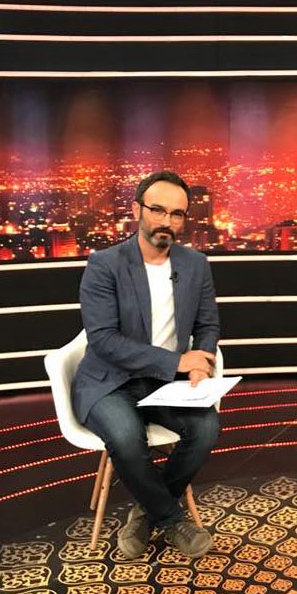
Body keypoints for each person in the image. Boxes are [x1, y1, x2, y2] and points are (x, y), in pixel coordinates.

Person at [72, 171, 221, 559]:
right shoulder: (105, 264)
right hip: (109, 381)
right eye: (158, 210)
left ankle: (145, 512)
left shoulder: (195, 264)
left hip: (165, 382)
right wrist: (177, 360)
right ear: (137, 209)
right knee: (126, 438)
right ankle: (171, 519)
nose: (166, 221)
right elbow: (103, 340)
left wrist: (201, 362)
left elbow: (207, 325)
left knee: (206, 428)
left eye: (177, 214)